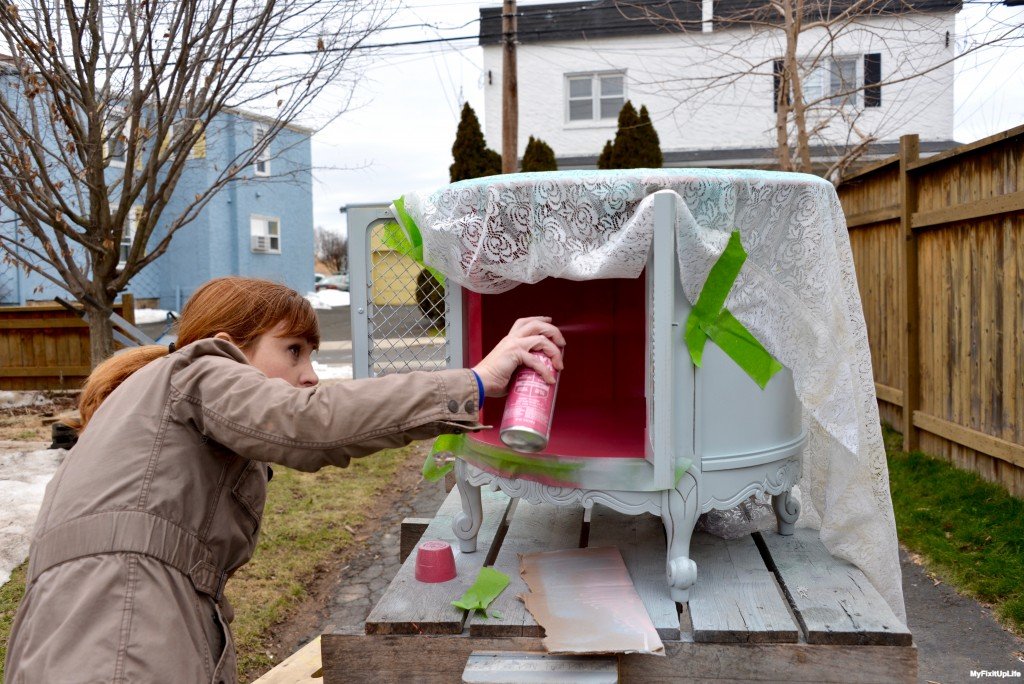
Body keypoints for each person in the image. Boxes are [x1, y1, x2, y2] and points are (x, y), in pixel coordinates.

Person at [4, 276, 564, 684]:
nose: (309, 374)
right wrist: (473, 383)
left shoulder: (148, 402)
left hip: (74, 633)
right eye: (293, 350)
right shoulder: (201, 369)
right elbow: (309, 421)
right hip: (118, 631)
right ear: (228, 344)